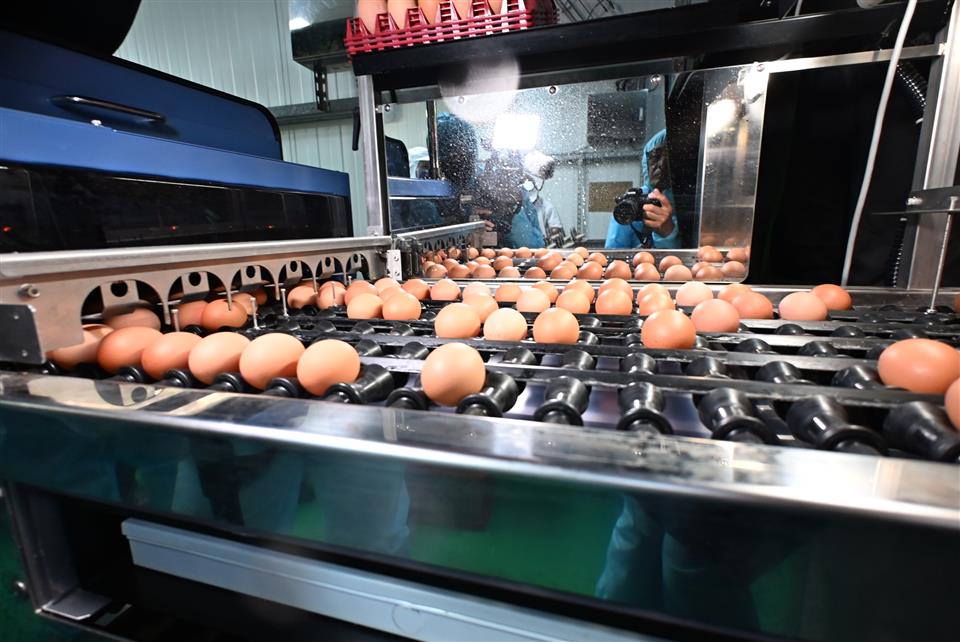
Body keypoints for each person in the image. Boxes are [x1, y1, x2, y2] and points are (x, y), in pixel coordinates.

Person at [604, 128, 680, 249]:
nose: (661, 165)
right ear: (646, 163)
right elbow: (614, 252)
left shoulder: (694, 205)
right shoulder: (634, 202)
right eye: (656, 157)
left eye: (670, 158)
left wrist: (668, 232)